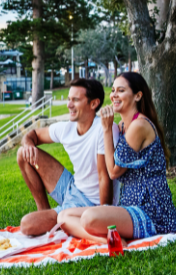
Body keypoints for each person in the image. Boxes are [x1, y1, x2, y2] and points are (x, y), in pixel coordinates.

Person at [58, 72, 176, 243]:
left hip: (151, 212)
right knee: (63, 216)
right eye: (113, 90)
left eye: (121, 90)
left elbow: (113, 172)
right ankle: (108, 241)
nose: (114, 95)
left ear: (137, 96)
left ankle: (111, 239)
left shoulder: (139, 125)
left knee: (89, 218)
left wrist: (106, 129)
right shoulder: (122, 126)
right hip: (129, 206)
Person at [18, 78, 119, 236]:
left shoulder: (104, 129)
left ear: (93, 104)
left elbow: (103, 177)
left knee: (27, 225)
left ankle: (53, 219)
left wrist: (103, 215)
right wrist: (28, 144)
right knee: (23, 154)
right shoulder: (67, 128)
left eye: (75, 100)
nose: (69, 105)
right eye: (68, 99)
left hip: (89, 202)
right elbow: (33, 135)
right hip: (72, 187)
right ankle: (44, 212)